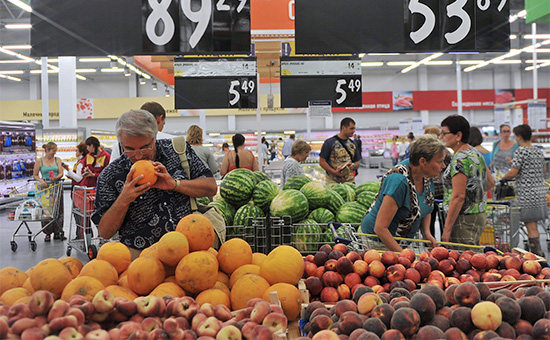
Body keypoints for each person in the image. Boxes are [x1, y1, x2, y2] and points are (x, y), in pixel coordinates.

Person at [91, 110, 217, 257]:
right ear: (121, 143)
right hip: (141, 259)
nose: (138, 156)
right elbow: (104, 232)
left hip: (187, 250)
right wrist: (124, 199)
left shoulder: (178, 152)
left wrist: (175, 184)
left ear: (154, 138)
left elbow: (211, 187)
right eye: (129, 149)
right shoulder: (110, 175)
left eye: (145, 147)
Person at [360, 135, 445, 251]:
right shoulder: (399, 181)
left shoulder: (426, 175)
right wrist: (404, 256)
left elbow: (425, 206)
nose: (443, 166)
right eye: (439, 161)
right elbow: (380, 228)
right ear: (423, 161)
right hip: (378, 242)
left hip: (402, 241)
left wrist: (426, 233)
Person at [440, 115, 494, 244]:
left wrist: (447, 229)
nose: (440, 137)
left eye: (444, 133)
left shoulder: (460, 159)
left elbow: (458, 196)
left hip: (462, 218)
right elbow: (490, 182)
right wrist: (473, 197)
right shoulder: (474, 152)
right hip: (478, 216)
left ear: (458, 135)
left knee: (462, 260)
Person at [500, 124, 547, 256]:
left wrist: (502, 179)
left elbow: (513, 172)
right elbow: (543, 169)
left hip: (527, 194)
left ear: (519, 136)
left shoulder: (521, 150)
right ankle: (537, 253)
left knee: (530, 226)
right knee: (534, 226)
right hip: (540, 192)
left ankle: (536, 255)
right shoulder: (537, 150)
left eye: (515, 136)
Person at [33, 142, 65, 242]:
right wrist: (42, 181)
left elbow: (61, 173)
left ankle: (58, 231)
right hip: (45, 189)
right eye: (52, 152)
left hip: (57, 187)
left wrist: (56, 177)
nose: (54, 154)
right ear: (46, 150)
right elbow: (35, 175)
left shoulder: (57, 159)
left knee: (58, 209)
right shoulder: (39, 161)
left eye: (55, 152)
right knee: (46, 210)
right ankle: (47, 232)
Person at [319, 117, 361, 183]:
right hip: (333, 182)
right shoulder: (329, 143)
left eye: (354, 128)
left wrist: (352, 165)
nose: (354, 131)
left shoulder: (353, 144)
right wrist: (334, 172)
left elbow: (357, 162)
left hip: (349, 182)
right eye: (351, 128)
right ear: (343, 128)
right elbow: (322, 162)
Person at [62, 142, 89, 240]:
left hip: (78, 191)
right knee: (80, 214)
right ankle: (81, 235)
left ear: (81, 152)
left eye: (76, 150)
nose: (75, 152)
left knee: (78, 213)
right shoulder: (82, 161)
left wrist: (68, 170)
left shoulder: (81, 162)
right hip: (79, 190)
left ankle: (81, 235)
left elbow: (78, 178)